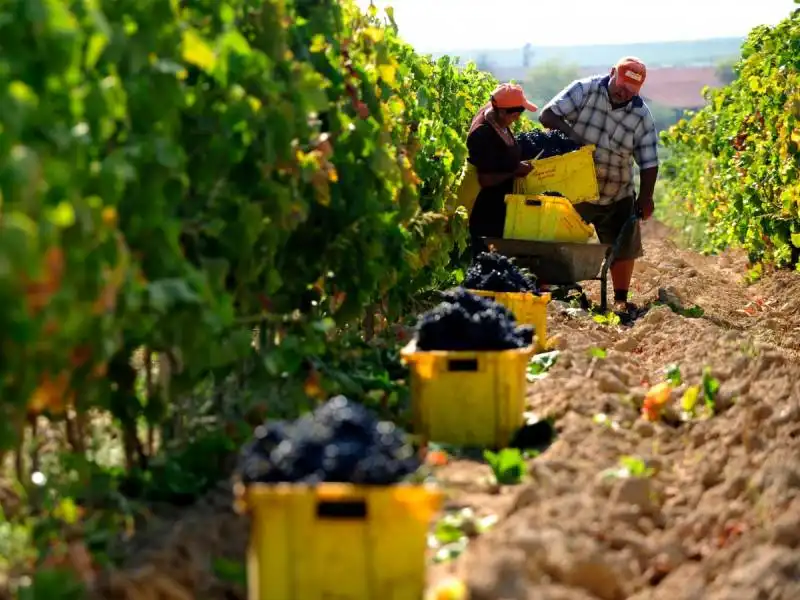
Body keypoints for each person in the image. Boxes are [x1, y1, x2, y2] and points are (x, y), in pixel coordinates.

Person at [538, 56, 659, 314]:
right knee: (558, 239)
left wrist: (646, 198)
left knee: (624, 243)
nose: (624, 93)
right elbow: (547, 115)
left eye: (631, 91)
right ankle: (554, 290)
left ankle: (621, 300)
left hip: (617, 189)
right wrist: (575, 138)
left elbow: (649, 161)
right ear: (612, 72)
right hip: (575, 185)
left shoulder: (641, 115)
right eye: (622, 85)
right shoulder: (584, 90)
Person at [464, 83, 538, 255]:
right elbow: (485, 179)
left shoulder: (497, 117)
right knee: (488, 262)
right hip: (486, 211)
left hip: (502, 206)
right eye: (515, 114)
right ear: (502, 111)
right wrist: (514, 171)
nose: (518, 118)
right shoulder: (482, 134)